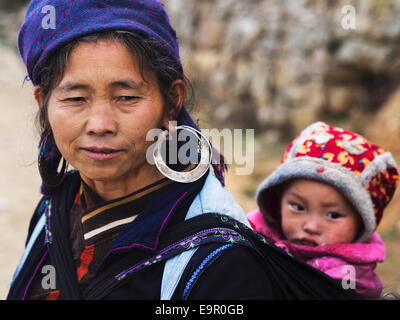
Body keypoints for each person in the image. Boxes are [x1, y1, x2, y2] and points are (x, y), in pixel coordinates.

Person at [7, 0, 276, 300]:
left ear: (171, 102)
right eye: (75, 99)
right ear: (43, 102)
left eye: (126, 97)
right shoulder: (55, 208)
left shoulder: (219, 259)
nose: (99, 125)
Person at [248, 121, 399, 299]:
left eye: (333, 215)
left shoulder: (348, 278)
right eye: (298, 207)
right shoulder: (248, 234)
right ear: (276, 202)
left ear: (361, 224)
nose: (311, 226)